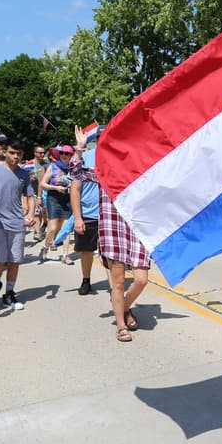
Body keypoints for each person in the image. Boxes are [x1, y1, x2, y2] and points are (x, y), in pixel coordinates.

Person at [70, 132, 150, 342]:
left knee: (141, 280)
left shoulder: (139, 172)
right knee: (119, 283)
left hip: (136, 232)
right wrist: (79, 149)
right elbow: (76, 173)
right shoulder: (102, 173)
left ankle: (124, 307)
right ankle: (121, 325)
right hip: (112, 231)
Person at [0, 139, 35, 311]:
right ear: (5, 152)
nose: (15, 156)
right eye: (12, 153)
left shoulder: (24, 174)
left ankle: (9, 293)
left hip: (17, 222)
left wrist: (30, 214)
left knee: (15, 260)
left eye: (19, 154)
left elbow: (29, 196)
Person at [70, 126, 101, 296]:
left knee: (110, 255)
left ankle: (115, 289)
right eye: (101, 137)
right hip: (88, 213)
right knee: (87, 251)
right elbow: (75, 190)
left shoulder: (117, 157)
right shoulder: (86, 157)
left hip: (108, 216)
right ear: (97, 139)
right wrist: (77, 218)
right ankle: (86, 280)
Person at [39, 145, 75, 264]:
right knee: (53, 228)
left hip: (68, 199)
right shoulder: (53, 166)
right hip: (54, 198)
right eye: (62, 153)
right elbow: (43, 184)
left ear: (71, 156)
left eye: (67, 154)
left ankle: (65, 255)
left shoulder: (74, 168)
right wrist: (55, 187)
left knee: (66, 229)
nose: (64, 155)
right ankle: (45, 247)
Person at [30, 145, 49, 241]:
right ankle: (37, 232)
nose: (42, 154)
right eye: (40, 153)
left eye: (43, 153)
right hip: (33, 192)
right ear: (35, 153)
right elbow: (22, 179)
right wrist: (30, 178)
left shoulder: (47, 164)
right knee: (37, 212)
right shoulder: (30, 164)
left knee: (43, 212)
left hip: (45, 193)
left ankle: (43, 225)